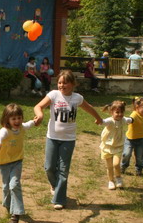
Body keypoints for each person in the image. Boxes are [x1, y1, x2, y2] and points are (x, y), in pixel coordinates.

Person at [33, 70, 103, 210]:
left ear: (72, 84)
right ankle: (54, 185)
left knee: (63, 171)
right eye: (59, 82)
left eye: (65, 82)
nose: (61, 85)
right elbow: (38, 106)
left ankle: (60, 199)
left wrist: (98, 118)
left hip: (68, 140)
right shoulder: (53, 95)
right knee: (49, 167)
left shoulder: (77, 98)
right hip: (52, 137)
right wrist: (40, 115)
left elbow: (89, 108)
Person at [0, 103, 37, 223]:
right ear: (7, 120)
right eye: (13, 119)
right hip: (3, 163)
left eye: (19, 117)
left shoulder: (22, 127)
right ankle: (8, 205)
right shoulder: (5, 131)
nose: (17, 121)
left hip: (17, 161)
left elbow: (30, 124)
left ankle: (16, 213)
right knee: (6, 186)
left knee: (14, 185)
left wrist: (35, 120)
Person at [100, 100, 133, 189]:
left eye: (121, 112)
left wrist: (132, 119)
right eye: (117, 112)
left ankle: (118, 177)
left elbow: (129, 120)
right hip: (107, 147)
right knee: (109, 166)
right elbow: (103, 122)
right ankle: (111, 181)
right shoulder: (110, 121)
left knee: (116, 164)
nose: (120, 114)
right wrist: (99, 121)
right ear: (111, 112)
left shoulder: (123, 120)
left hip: (118, 146)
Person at [121, 97, 143, 176]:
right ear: (137, 107)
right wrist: (125, 120)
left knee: (139, 157)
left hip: (140, 140)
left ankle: (139, 170)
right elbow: (130, 119)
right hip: (130, 140)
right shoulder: (134, 114)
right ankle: (123, 166)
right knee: (126, 154)